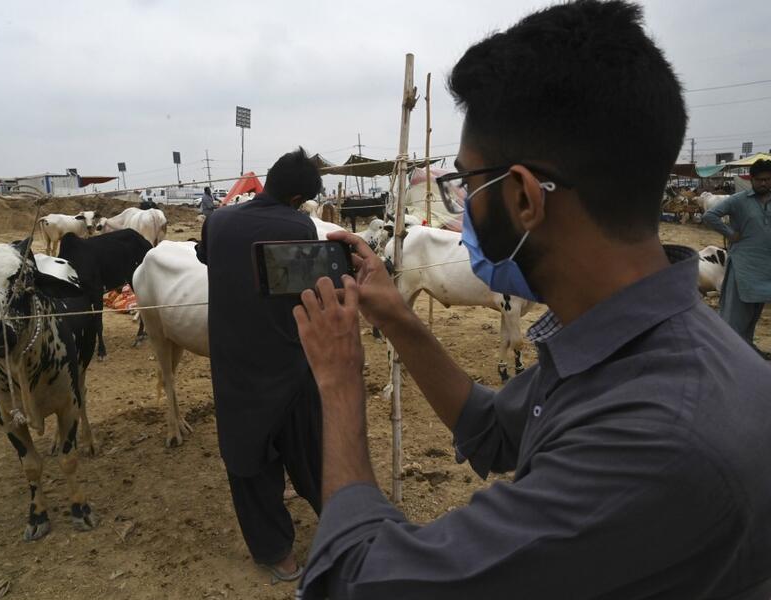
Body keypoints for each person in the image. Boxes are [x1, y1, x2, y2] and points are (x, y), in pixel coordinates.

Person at [292, 2, 771, 598]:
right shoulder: (635, 343)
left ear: (523, 197)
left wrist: (338, 383)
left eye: (466, 185)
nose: (462, 208)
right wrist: (395, 314)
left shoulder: (650, 442)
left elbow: (354, 581)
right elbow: (490, 430)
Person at [196, 148, 323, 582]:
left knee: (248, 461)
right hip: (289, 363)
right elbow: (306, 287)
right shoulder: (298, 225)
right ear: (297, 199)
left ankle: (277, 555)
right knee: (310, 450)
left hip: (235, 368)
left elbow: (207, 256)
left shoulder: (218, 221)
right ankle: (341, 522)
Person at [703, 159, 771, 358]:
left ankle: (747, 348)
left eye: (768, 179)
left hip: (765, 267)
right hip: (743, 265)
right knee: (733, 316)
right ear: (751, 180)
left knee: (753, 314)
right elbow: (710, 216)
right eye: (760, 180)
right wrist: (730, 233)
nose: (764, 183)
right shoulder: (739, 200)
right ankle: (726, 354)